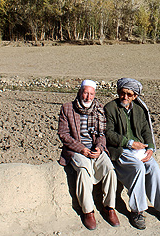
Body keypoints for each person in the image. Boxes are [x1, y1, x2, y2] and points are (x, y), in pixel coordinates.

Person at [104, 78, 160, 230]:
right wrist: (128, 143)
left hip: (139, 149)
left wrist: (150, 148)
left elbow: (146, 130)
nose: (125, 97)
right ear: (118, 92)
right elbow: (108, 133)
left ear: (135, 96)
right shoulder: (110, 108)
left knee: (154, 167)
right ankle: (137, 211)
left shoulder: (139, 109)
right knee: (138, 168)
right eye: (122, 93)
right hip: (121, 150)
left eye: (129, 95)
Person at [58, 79, 120, 230]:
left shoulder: (98, 109)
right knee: (84, 170)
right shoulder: (68, 108)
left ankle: (109, 208)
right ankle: (88, 211)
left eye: (91, 94)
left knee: (109, 170)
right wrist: (81, 149)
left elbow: (102, 133)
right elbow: (64, 134)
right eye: (85, 93)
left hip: (94, 149)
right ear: (80, 92)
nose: (88, 97)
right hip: (76, 149)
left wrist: (99, 147)